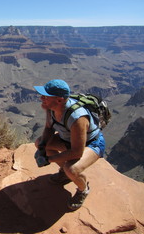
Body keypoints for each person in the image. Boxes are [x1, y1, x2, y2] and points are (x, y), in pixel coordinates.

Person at [33, 79, 105, 210]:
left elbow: (77, 152)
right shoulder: (51, 108)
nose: (41, 98)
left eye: (45, 96)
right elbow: (49, 128)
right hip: (67, 140)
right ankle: (65, 174)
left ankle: (83, 190)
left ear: (59, 100)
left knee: (71, 168)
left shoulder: (77, 118)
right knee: (39, 143)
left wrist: (48, 159)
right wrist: (42, 148)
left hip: (91, 144)